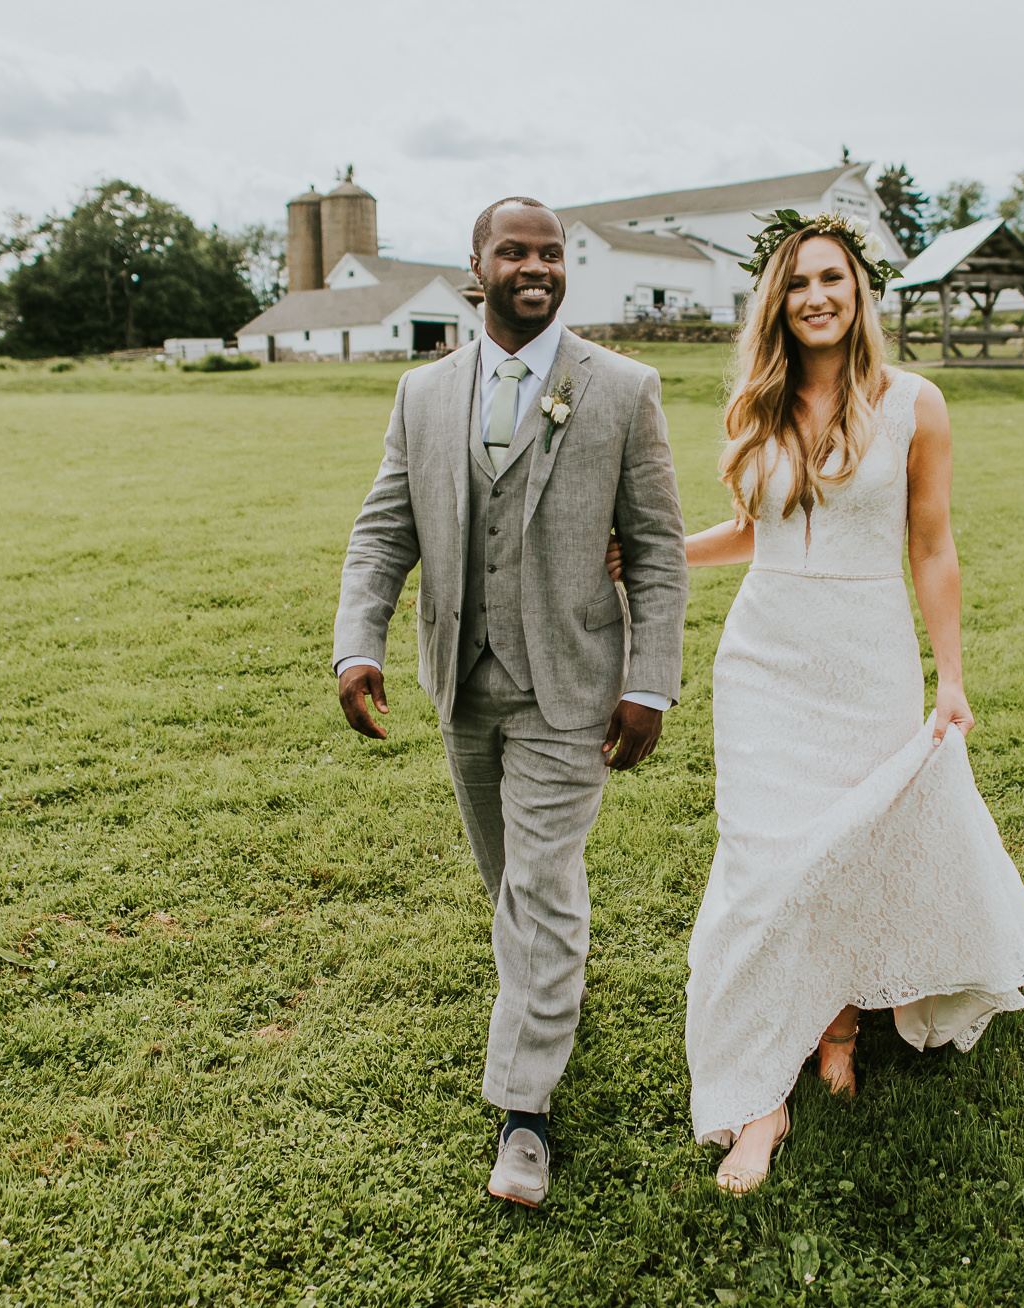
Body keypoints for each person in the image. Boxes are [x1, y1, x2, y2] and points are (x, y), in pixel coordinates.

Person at [673, 212, 1024, 1193]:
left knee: (850, 846)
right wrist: (663, 556)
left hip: (864, 658)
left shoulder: (912, 405)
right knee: (762, 860)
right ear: (778, 300)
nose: (815, 296)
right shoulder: (756, 404)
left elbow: (930, 545)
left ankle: (839, 1021)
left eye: (831, 279)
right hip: (763, 661)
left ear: (858, 294)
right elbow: (757, 532)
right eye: (797, 282)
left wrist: (953, 676)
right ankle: (761, 1100)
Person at [332, 197, 688, 1208]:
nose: (537, 265)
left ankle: (523, 1115)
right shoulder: (422, 393)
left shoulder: (621, 389)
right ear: (475, 268)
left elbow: (657, 549)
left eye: (553, 252)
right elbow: (382, 531)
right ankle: (553, 981)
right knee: (510, 887)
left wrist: (648, 678)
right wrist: (357, 644)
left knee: (539, 883)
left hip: (570, 687)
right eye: (514, 251)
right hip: (461, 681)